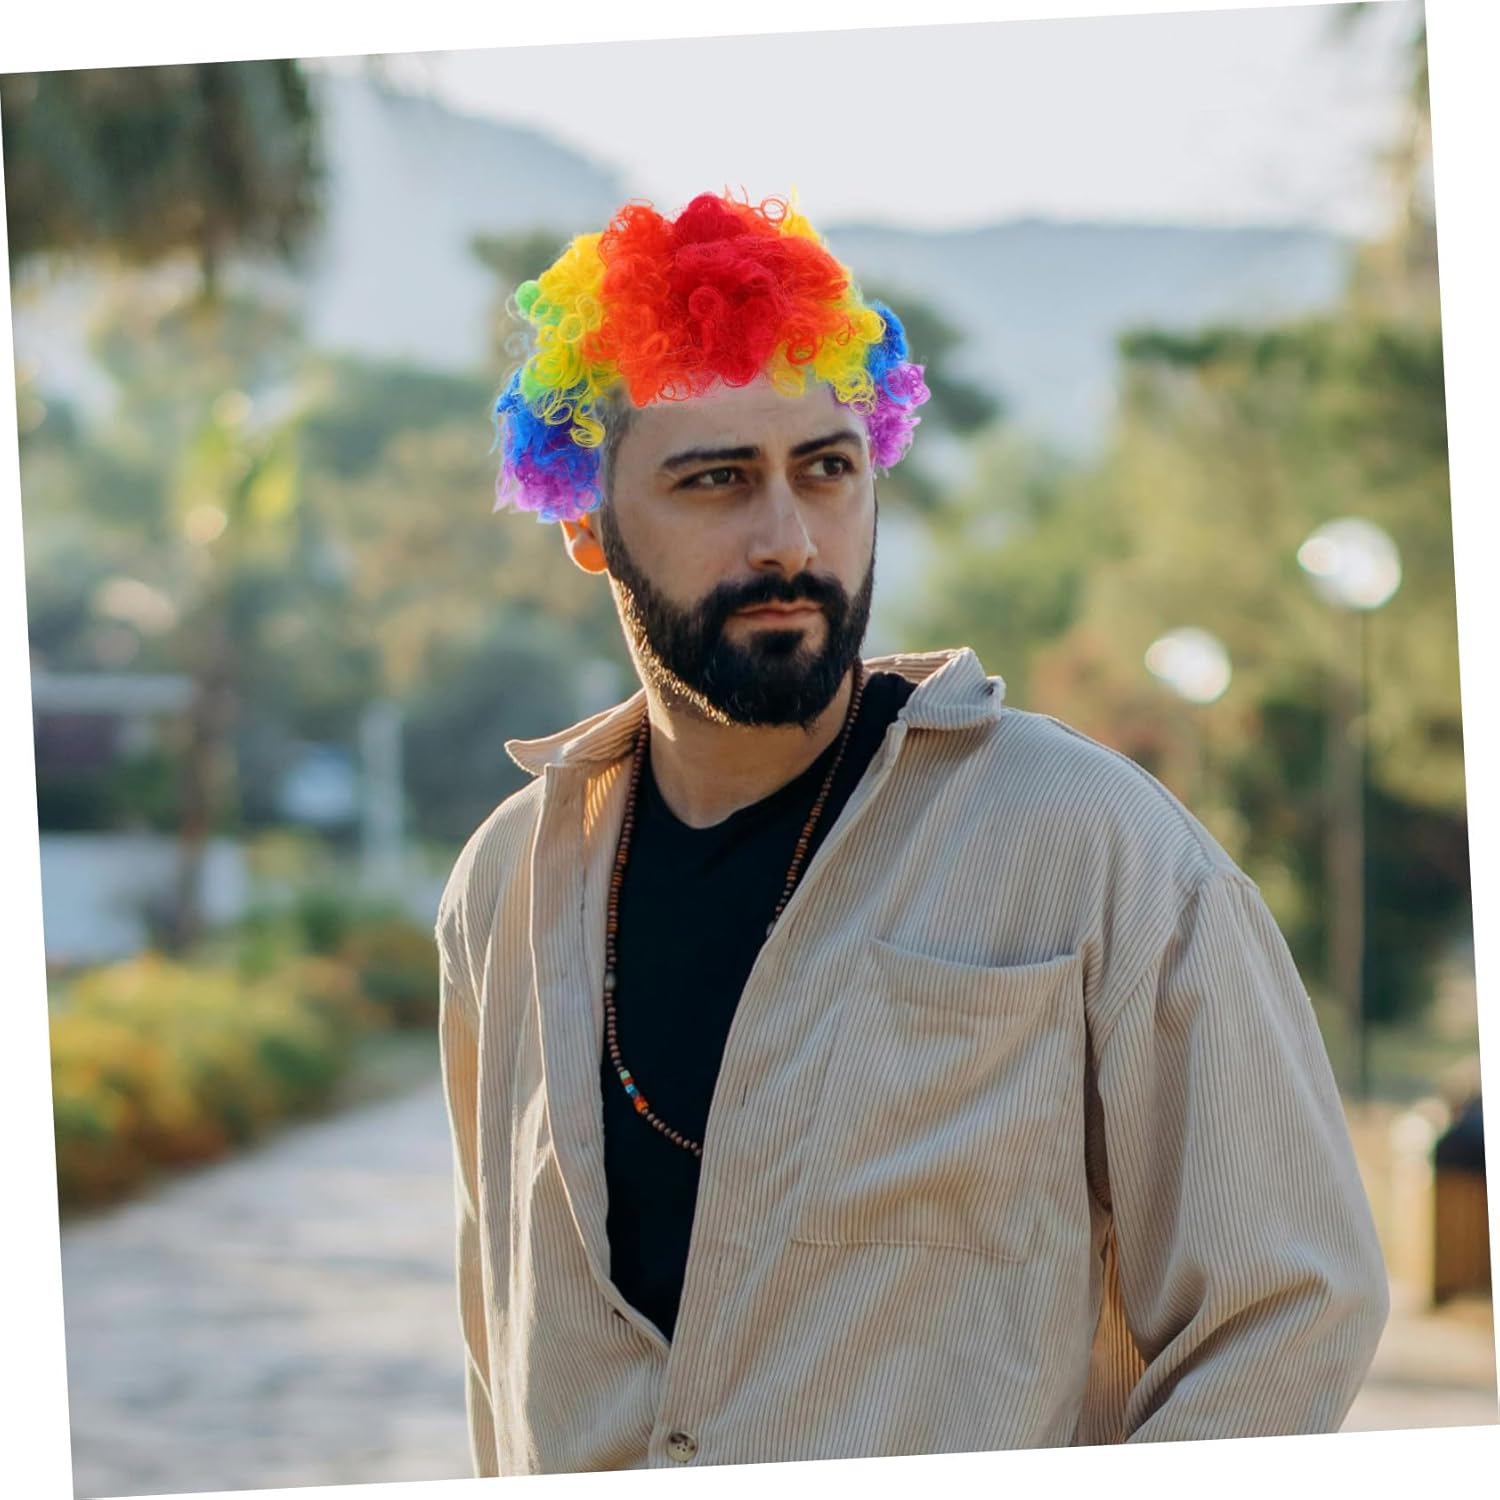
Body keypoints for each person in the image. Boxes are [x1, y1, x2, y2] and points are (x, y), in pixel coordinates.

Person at [435, 189, 1389, 1476]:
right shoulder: (508, 879)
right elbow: (502, 1344)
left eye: (827, 469)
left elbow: (1288, 1309)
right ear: (585, 521)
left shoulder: (1088, 842)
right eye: (717, 479)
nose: (788, 538)